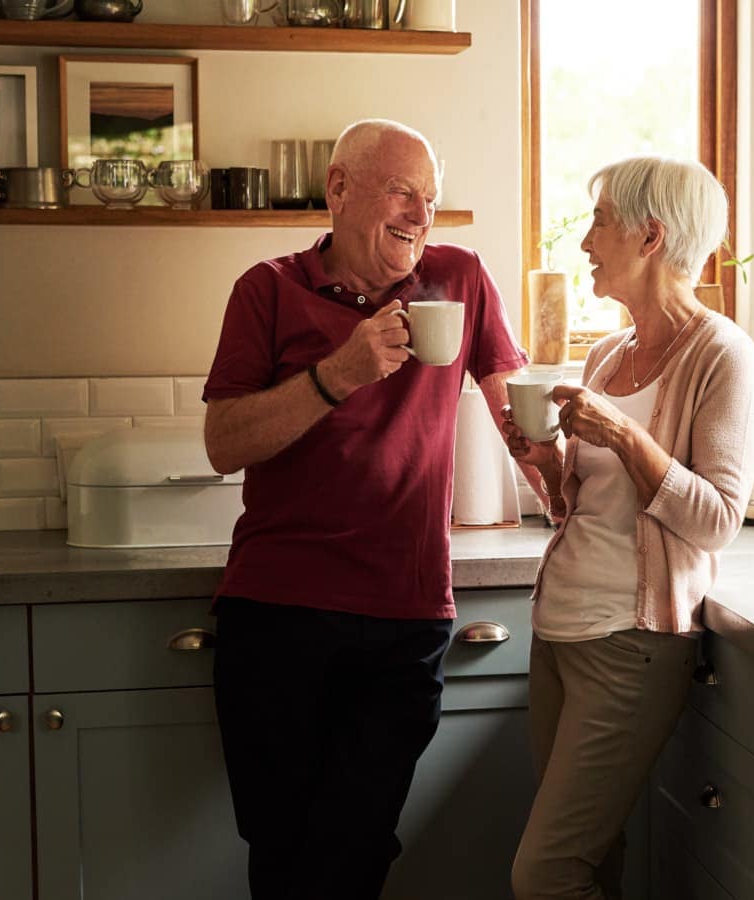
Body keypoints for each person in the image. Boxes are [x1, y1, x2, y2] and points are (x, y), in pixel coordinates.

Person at [202, 118, 534, 900]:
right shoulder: (267, 289)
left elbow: (515, 416)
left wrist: (565, 462)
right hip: (276, 613)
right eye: (401, 192)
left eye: (431, 198)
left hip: (404, 616)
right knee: (283, 853)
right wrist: (337, 374)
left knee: (353, 849)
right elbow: (223, 443)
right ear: (339, 189)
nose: (421, 215)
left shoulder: (459, 278)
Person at [505, 156, 754, 899]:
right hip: (559, 633)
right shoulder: (607, 354)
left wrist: (623, 435)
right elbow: (578, 508)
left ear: (651, 237)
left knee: (545, 874)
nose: (586, 242)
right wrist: (544, 460)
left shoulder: (723, 354)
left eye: (600, 222)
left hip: (631, 645)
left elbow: (716, 521)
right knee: (590, 859)